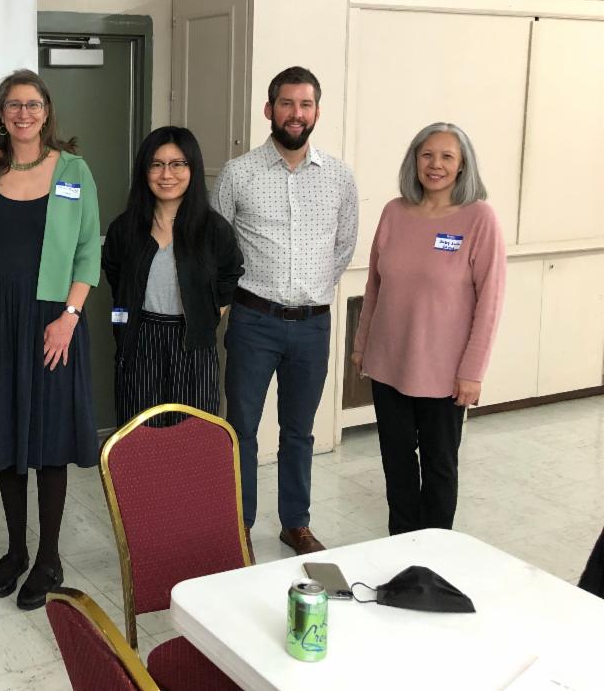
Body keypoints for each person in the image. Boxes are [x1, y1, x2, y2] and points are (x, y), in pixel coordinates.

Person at [0, 69, 101, 610]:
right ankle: (17, 550)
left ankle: (48, 558)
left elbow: (89, 249)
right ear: (1, 115)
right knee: (5, 436)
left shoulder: (73, 169)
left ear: (47, 112)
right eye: (13, 105)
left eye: (33, 104)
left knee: (47, 441)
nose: (24, 113)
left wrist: (69, 315)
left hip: (53, 321)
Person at [212, 65, 357, 555]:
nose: (297, 113)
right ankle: (239, 525)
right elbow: (218, 246)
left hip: (312, 326)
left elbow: (344, 246)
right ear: (269, 110)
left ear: (317, 112)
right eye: (287, 104)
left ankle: (295, 524)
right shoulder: (239, 173)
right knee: (242, 430)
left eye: (306, 104)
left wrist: (310, 289)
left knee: (299, 432)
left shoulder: (339, 176)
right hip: (253, 321)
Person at [352, 123, 505, 535]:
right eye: (427, 155)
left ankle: (436, 551)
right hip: (388, 364)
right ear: (414, 161)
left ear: (462, 165)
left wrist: (473, 371)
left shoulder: (479, 218)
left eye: (447, 156)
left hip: (445, 374)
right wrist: (362, 344)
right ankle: (401, 543)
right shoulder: (394, 212)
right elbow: (374, 286)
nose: (435, 165)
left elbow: (490, 303)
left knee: (439, 467)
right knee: (396, 464)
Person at [103, 126, 244, 425]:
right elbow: (116, 276)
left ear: (193, 169)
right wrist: (126, 318)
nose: (166, 174)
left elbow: (231, 273)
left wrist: (209, 313)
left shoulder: (213, 229)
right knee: (140, 434)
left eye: (178, 164)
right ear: (144, 171)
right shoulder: (124, 229)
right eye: (157, 164)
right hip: (139, 339)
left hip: (193, 343)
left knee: (192, 435)